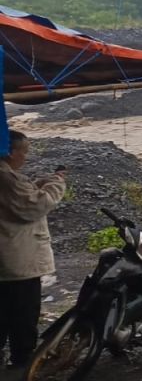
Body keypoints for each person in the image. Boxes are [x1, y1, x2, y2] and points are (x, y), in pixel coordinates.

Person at [0, 131, 66, 371]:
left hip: (8, 260)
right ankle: (22, 362)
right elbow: (34, 206)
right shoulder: (5, 177)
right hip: (17, 261)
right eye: (24, 151)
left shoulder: (8, 177)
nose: (25, 157)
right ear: (10, 152)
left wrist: (35, 184)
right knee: (23, 313)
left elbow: (16, 198)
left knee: (5, 311)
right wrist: (57, 183)